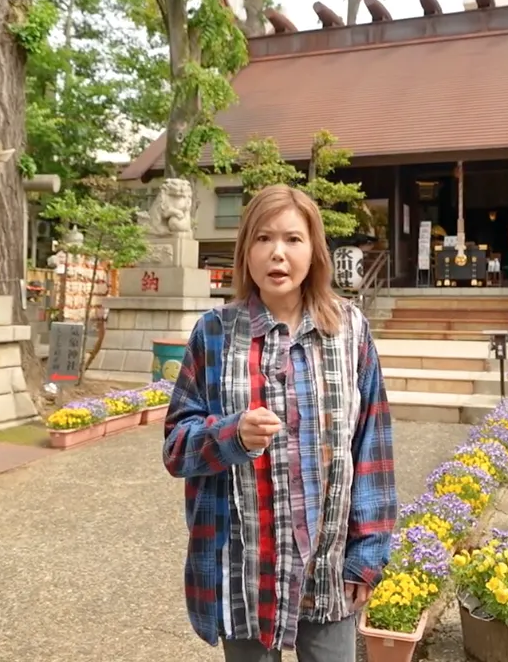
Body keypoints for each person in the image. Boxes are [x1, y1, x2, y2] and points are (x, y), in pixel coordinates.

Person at [162, 184, 397, 661]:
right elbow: (176, 447)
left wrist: (367, 557)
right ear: (246, 250)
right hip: (246, 572)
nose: (278, 253)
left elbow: (372, 447)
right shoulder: (215, 333)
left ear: (314, 251)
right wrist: (230, 435)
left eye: (293, 239)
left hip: (328, 570)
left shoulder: (349, 331)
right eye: (263, 238)